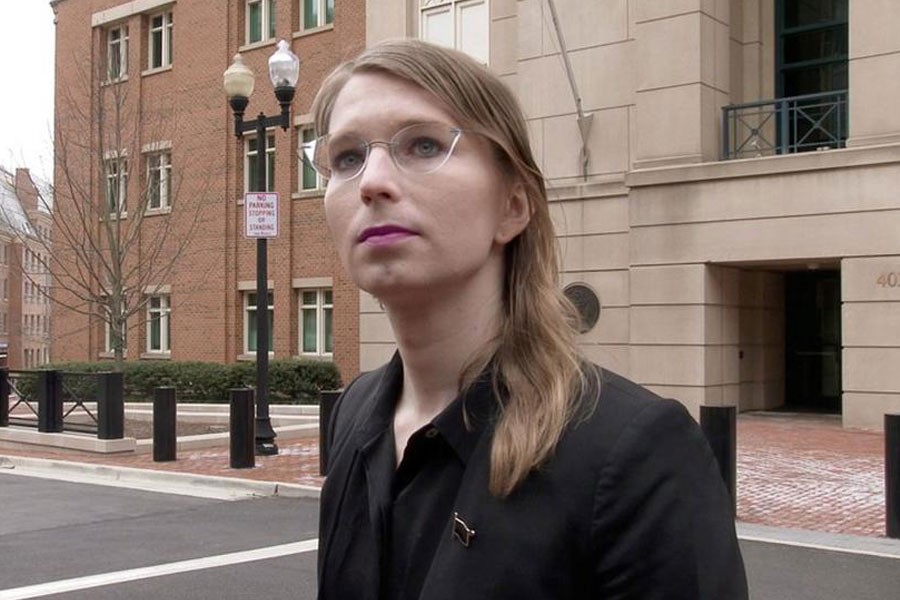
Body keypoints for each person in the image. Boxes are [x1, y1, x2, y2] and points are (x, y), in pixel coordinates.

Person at [309, 38, 748, 599]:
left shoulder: (635, 452)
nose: (371, 181)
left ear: (513, 206)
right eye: (347, 157)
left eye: (421, 145)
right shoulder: (356, 414)